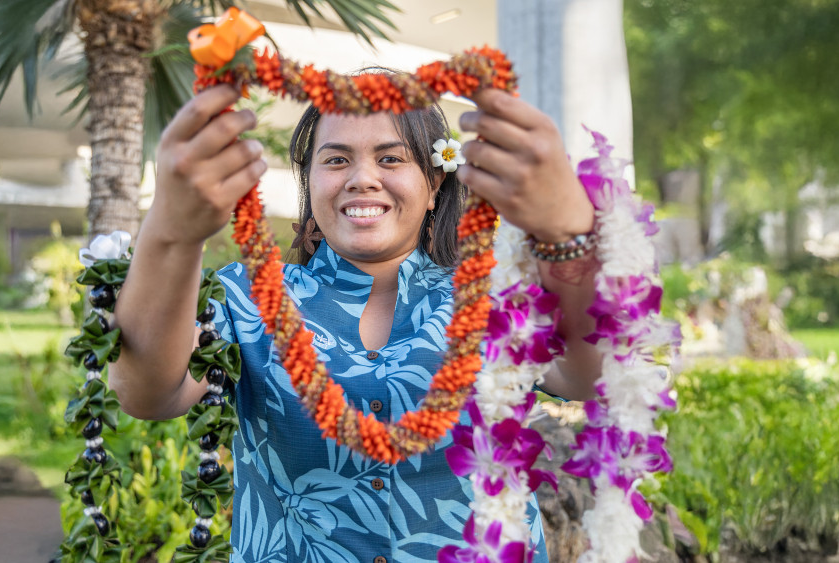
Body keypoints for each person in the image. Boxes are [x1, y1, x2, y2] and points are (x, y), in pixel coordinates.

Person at [110, 82, 604, 563]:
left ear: (434, 183)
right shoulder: (247, 295)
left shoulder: (497, 292)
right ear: (310, 181)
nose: (362, 178)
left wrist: (567, 229)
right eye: (337, 159)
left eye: (390, 158)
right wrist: (171, 229)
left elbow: (590, 374)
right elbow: (150, 394)